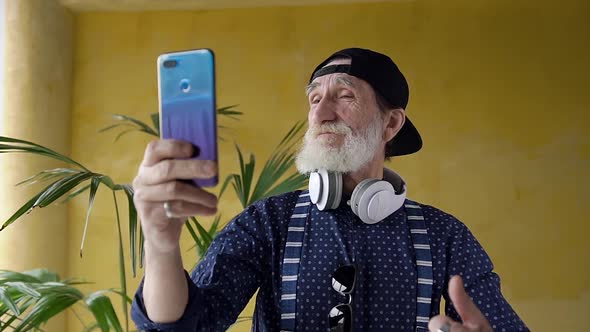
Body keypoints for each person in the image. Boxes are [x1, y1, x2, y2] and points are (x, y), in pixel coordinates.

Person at [130, 48, 529, 332]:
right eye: (315, 99)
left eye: (344, 95)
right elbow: (185, 326)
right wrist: (161, 245)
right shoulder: (267, 222)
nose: (320, 113)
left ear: (391, 125)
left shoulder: (446, 236)